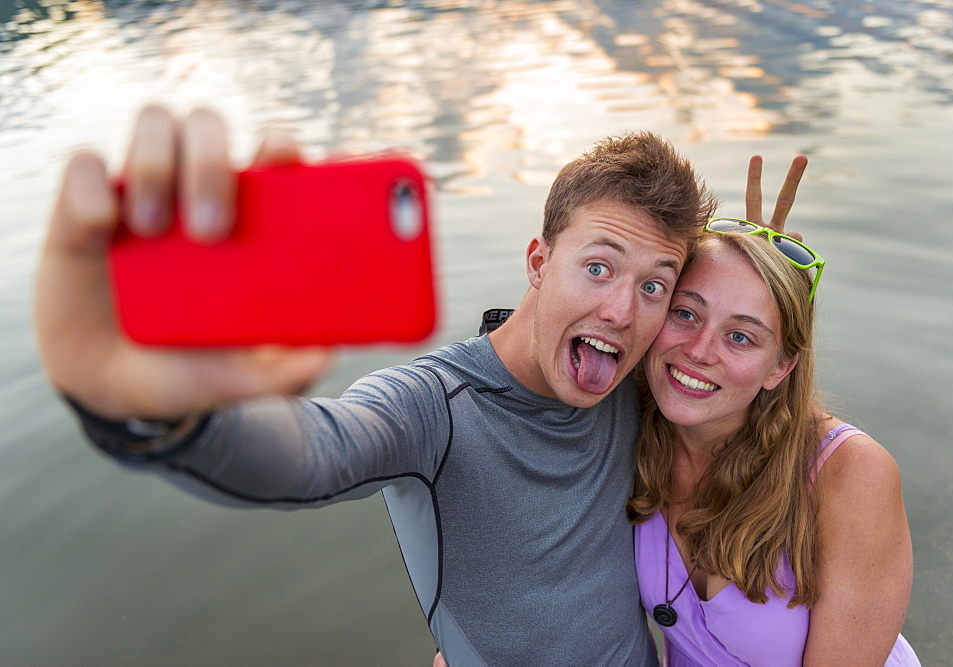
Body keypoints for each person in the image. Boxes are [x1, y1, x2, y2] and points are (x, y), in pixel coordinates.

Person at [34, 105, 803, 664]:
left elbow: (745, 397)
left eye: (654, 286)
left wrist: (760, 281)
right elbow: (317, 450)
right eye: (598, 266)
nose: (621, 310)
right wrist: (154, 415)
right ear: (538, 262)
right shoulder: (433, 409)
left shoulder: (639, 383)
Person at [630, 224, 919, 664]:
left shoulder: (849, 473)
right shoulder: (627, 424)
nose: (700, 351)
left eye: (741, 336)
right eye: (686, 313)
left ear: (780, 368)